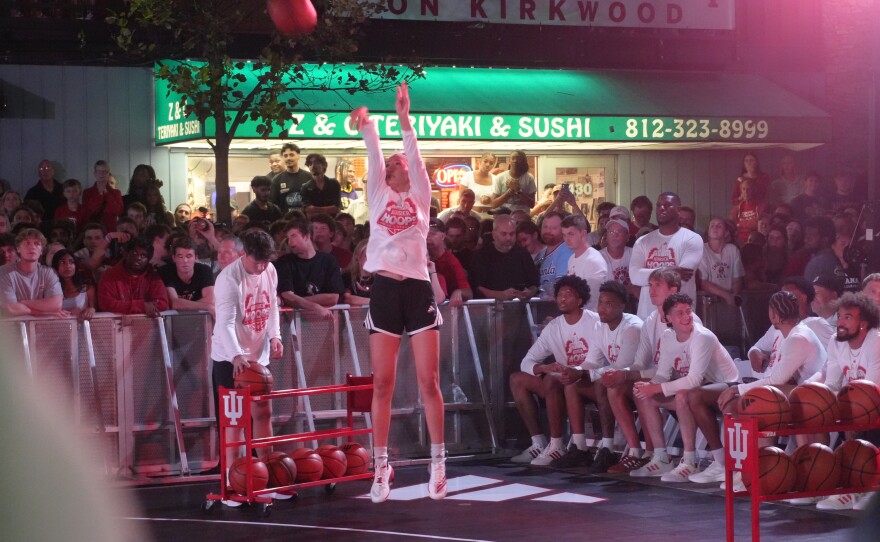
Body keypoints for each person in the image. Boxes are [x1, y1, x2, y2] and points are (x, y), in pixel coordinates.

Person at [349, 85, 447, 502]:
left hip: (418, 288)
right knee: (383, 384)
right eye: (389, 162)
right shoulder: (378, 194)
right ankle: (381, 465)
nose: (393, 161)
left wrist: (404, 118)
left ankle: (439, 461)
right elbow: (373, 153)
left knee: (429, 380)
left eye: (399, 159)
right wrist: (368, 124)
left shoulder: (421, 196)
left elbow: (414, 152)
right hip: (386, 288)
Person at [210, 230, 285, 506]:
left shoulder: (270, 269)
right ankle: (234, 481)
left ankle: (268, 473)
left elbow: (273, 306)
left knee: (264, 413)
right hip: (229, 358)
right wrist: (236, 356)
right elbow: (225, 323)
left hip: (257, 357)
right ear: (244, 255)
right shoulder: (228, 280)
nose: (263, 267)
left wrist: (275, 335)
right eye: (258, 262)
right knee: (234, 423)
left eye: (266, 261)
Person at [631, 293, 739, 480]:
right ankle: (661, 458)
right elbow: (663, 374)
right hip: (698, 391)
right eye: (679, 313)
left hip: (728, 387)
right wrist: (649, 386)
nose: (686, 316)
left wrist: (656, 388)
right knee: (644, 395)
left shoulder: (702, 336)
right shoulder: (667, 336)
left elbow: (694, 380)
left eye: (688, 311)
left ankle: (690, 461)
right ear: (668, 318)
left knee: (684, 394)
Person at [509, 275, 600, 465]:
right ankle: (538, 443)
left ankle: (557, 444)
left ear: (580, 300)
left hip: (588, 380)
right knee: (518, 379)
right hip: (563, 382)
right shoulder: (554, 326)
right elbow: (527, 361)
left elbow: (601, 360)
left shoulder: (595, 322)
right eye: (559, 294)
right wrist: (543, 367)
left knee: (552, 380)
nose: (562, 298)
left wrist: (577, 370)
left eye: (568, 294)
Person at [557, 281, 643, 472]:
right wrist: (575, 371)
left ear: (623, 306)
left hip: (638, 381)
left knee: (602, 382)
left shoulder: (633, 328)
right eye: (601, 302)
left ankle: (608, 447)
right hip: (616, 381)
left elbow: (622, 368)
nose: (602, 308)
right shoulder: (599, 326)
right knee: (572, 384)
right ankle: (579, 446)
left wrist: (582, 372)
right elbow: (592, 362)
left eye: (609, 304)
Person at [812, 292, 880, 510]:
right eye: (840, 316)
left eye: (848, 317)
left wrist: (846, 407)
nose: (840, 322)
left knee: (858, 412)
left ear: (864, 323)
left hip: (875, 399)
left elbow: (873, 389)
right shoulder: (836, 342)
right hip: (859, 402)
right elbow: (832, 383)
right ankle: (825, 483)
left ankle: (867, 489)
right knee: (813, 408)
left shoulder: (876, 342)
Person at [629, 192, 703, 319]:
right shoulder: (643, 241)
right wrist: (669, 270)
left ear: (678, 210)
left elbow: (680, 277)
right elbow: (635, 276)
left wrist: (647, 274)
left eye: (667, 205)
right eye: (659, 205)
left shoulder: (692, 239)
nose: (662, 208)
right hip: (647, 316)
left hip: (680, 317)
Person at [274, 218, 343, 318]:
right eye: (288, 238)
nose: (289, 242)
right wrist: (315, 306)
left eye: (293, 236)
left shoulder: (329, 261)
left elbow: (333, 297)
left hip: (323, 320)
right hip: (295, 321)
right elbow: (287, 296)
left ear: (306, 236)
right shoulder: (284, 262)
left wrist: (298, 301)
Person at [468, 215, 539, 301]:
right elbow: (477, 287)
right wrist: (501, 295)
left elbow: (535, 283)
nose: (508, 238)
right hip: (490, 308)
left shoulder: (523, 254)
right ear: (494, 235)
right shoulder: (482, 256)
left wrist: (529, 292)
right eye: (504, 234)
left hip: (519, 308)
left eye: (512, 234)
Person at [97, 238, 169, 316]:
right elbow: (105, 304)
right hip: (116, 325)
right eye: (134, 253)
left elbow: (162, 304)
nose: (138, 258)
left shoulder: (153, 277)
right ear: (126, 253)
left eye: (143, 255)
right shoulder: (110, 275)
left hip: (147, 325)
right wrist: (142, 306)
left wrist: (125, 306)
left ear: (148, 260)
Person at [0, 228, 63, 317]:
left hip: (42, 327)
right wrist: (45, 312)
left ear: (42, 251)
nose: (32, 247)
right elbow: (11, 308)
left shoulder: (49, 272)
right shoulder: (4, 272)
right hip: (13, 327)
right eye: (27, 243)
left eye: (37, 244)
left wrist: (22, 303)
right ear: (18, 248)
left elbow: (56, 305)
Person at [159, 236, 215, 317]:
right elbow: (174, 303)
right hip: (174, 321)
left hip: (200, 320)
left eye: (189, 256)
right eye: (180, 256)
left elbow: (210, 300)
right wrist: (207, 306)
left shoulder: (204, 270)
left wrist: (185, 305)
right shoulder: (166, 272)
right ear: (174, 258)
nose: (185, 261)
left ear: (196, 258)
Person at [562, 214, 606, 311]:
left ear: (583, 234)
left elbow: (592, 299)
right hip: (576, 316)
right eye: (564, 235)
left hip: (590, 319)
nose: (567, 239)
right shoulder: (572, 259)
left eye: (571, 234)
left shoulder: (593, 260)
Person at [697, 217, 744, 306]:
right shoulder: (701, 249)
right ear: (708, 231)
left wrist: (733, 295)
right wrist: (726, 295)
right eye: (712, 226)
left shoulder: (733, 250)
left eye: (719, 226)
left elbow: (737, 278)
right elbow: (703, 282)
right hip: (709, 301)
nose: (715, 228)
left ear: (726, 232)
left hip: (729, 300)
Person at [426, 218, 472, 307]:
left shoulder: (451, 261)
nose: (428, 237)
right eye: (426, 233)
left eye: (433, 234)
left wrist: (458, 292)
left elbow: (468, 292)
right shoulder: (417, 257)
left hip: (445, 309)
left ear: (443, 236)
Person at [51, 249, 96, 319]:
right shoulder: (51, 290)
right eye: (63, 262)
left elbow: (93, 309)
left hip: (82, 328)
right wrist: (69, 313)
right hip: (59, 328)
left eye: (71, 262)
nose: (68, 266)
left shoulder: (88, 289)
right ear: (56, 267)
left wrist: (91, 310)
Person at [537, 211, 573, 300]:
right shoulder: (541, 254)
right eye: (545, 227)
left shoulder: (566, 251)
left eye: (554, 228)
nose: (548, 231)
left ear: (563, 230)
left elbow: (560, 287)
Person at [82, 160, 124, 233]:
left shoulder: (116, 193)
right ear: (95, 173)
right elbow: (87, 212)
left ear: (108, 174)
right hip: (93, 231)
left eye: (104, 171)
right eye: (99, 171)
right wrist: (100, 195)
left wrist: (107, 194)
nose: (101, 174)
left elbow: (119, 211)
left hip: (110, 230)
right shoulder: (87, 192)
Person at [271, 143, 313, 213]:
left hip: (305, 221)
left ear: (298, 156)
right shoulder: (277, 180)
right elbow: (273, 204)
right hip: (285, 222)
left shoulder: (309, 177)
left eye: (291, 155)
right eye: (285, 155)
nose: (288, 158)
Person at [25, 160, 65, 230]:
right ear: (39, 173)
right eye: (41, 169)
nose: (44, 171)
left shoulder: (64, 189)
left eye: (47, 168)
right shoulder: (32, 192)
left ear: (53, 171)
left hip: (61, 227)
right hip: (41, 228)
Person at [301, 153, 342, 218]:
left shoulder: (334, 184)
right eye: (310, 164)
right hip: (314, 224)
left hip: (332, 223)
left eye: (316, 163)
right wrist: (328, 209)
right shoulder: (305, 187)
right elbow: (308, 209)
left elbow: (336, 208)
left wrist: (315, 209)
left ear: (324, 165)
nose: (313, 166)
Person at [343, 239, 372, 306]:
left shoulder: (380, 278)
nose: (370, 258)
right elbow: (348, 299)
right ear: (357, 257)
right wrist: (376, 302)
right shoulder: (347, 277)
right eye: (366, 255)